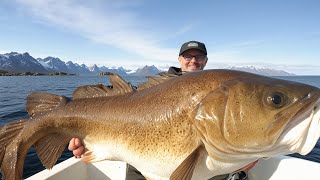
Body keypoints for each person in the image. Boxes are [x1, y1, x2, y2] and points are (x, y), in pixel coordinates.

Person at [68, 41, 250, 180]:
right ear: (179, 60)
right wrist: (89, 140)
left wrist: (253, 153)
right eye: (188, 56)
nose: (193, 61)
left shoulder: (219, 88)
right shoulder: (154, 88)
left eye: (199, 57)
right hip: (142, 168)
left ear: (206, 61)